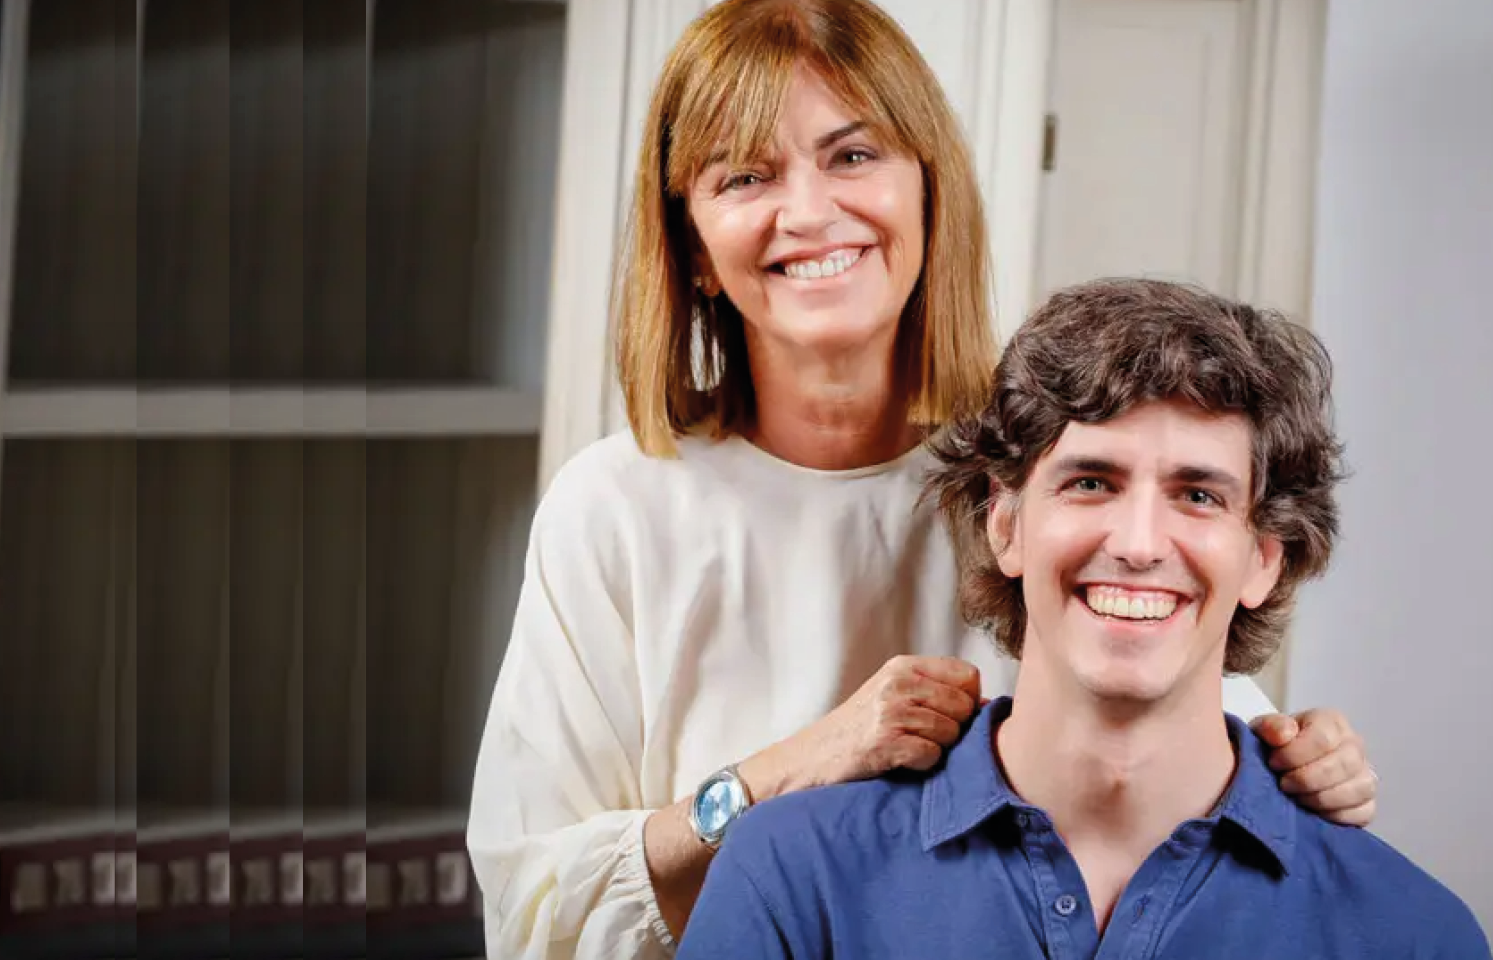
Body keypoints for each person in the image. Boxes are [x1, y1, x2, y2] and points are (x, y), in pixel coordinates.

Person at [466, 2, 1380, 958]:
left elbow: (1173, 702)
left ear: (928, 192)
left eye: (854, 157)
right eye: (746, 175)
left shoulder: (1039, 478)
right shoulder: (612, 510)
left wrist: (1300, 759)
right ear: (694, 247)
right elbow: (536, 918)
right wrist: (787, 772)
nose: (811, 211)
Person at [675, 278, 1493, 959]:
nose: (1138, 544)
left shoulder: (1414, 935)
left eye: (1198, 495)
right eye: (1091, 482)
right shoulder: (791, 876)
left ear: (1264, 557)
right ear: (1006, 524)